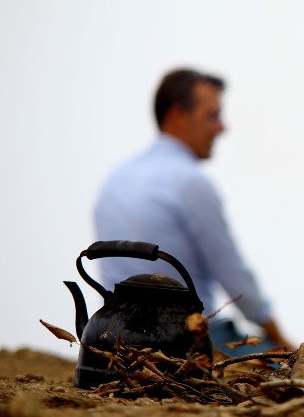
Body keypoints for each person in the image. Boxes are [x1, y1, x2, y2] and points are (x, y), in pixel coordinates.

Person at [93, 67, 292, 356]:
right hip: (184, 344)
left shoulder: (115, 180)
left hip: (116, 341)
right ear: (177, 116)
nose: (222, 127)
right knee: (289, 372)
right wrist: (282, 341)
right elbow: (234, 278)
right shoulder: (190, 182)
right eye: (212, 116)